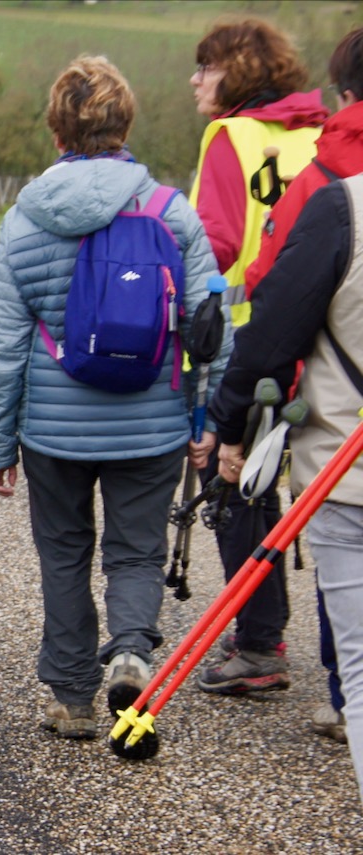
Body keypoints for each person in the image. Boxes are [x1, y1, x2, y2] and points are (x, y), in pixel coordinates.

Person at [0, 56, 227, 740]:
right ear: (126, 123)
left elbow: (1, 345)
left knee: (63, 552)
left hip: (53, 431)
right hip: (152, 425)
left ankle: (71, 695)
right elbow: (211, 324)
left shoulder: (25, 219)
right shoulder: (171, 213)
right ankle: (130, 650)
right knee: (136, 552)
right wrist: (207, 418)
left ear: (56, 128)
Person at [207, 172, 363, 809]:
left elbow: (271, 333)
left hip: (349, 478)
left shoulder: (343, 206)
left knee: (360, 668)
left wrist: (231, 423)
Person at [188, 18, 329, 695]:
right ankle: (337, 663)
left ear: (235, 72)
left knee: (237, 479)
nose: (195, 80)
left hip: (248, 335)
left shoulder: (230, 136)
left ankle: (259, 642)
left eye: (205, 67)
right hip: (326, 339)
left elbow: (213, 242)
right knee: (320, 489)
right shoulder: (317, 132)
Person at [239, 28, 363, 743]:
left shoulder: (326, 186)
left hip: (343, 458)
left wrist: (234, 419)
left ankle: (340, 689)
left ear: (345, 93)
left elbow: (269, 293)